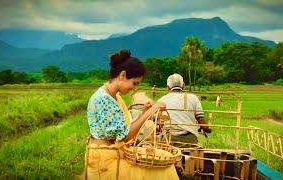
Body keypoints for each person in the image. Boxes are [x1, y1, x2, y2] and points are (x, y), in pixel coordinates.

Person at [85, 49, 178, 180]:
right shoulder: (102, 99)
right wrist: (150, 112)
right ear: (122, 75)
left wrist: (144, 113)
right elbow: (125, 136)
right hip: (104, 163)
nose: (134, 89)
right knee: (161, 172)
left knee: (164, 166)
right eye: (134, 83)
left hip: (114, 154)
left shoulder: (113, 97)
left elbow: (123, 127)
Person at [157, 73, 211, 144]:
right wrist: (208, 129)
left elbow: (157, 124)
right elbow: (202, 123)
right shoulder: (193, 98)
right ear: (183, 86)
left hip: (169, 140)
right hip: (190, 140)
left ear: (168, 87)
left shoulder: (161, 100)